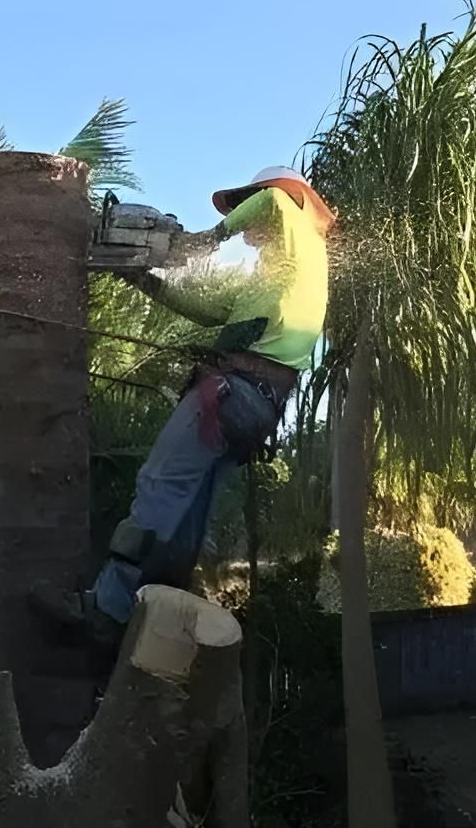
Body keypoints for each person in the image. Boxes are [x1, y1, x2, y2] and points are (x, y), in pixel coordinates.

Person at [30, 166, 335, 648]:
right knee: (186, 515)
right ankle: (159, 617)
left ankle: (106, 607)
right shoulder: (283, 277)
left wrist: (201, 241)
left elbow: (273, 202)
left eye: (243, 209)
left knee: (158, 487)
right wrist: (141, 277)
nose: (245, 225)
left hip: (230, 392)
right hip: (254, 410)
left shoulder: (292, 227)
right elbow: (199, 307)